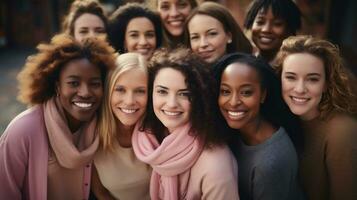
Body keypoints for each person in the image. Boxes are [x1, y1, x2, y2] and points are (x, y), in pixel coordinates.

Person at [0, 34, 116, 199]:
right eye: (73, 83)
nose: (85, 92)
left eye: (95, 84)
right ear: (57, 87)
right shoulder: (22, 131)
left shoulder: (102, 126)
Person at [132, 48, 239, 200]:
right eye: (162, 91)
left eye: (184, 94)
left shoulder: (216, 165)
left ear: (199, 99)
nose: (171, 103)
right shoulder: (149, 138)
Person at [275, 35, 357, 200]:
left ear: (326, 83)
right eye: (291, 77)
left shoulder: (343, 132)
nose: (300, 89)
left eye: (312, 79)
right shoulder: (280, 120)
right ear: (279, 78)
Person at [213, 53, 303, 200]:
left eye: (246, 92)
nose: (234, 101)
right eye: (225, 91)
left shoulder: (270, 164)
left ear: (263, 95)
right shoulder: (234, 133)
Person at [91, 53, 151, 200]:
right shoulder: (91, 137)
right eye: (120, 90)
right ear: (108, 92)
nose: (129, 101)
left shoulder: (160, 133)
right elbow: (100, 193)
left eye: (140, 91)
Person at [184, 2, 252, 64]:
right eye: (195, 37)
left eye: (212, 34)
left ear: (229, 36)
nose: (203, 44)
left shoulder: (238, 69)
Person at [244, 0, 301, 65]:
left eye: (277, 24)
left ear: (291, 29)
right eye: (260, 22)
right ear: (251, 24)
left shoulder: (295, 66)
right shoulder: (244, 65)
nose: (266, 30)